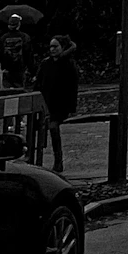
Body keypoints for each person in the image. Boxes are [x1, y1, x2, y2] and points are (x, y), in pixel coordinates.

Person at [36, 32, 79, 176]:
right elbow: (39, 83)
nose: (52, 49)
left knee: (53, 129)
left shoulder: (68, 64)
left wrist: (72, 107)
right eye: (51, 47)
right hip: (45, 103)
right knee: (40, 131)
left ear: (62, 47)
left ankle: (58, 161)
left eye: (55, 46)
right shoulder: (46, 63)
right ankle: (37, 162)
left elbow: (73, 87)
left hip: (60, 104)